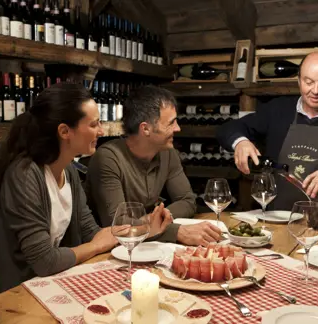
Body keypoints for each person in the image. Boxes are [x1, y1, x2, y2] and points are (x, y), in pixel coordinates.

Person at [0, 83, 172, 293]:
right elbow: (45, 260)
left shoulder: (69, 171)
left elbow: (91, 232)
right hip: (13, 296)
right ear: (65, 131)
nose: (101, 131)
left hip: (47, 285)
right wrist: (96, 246)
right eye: (94, 125)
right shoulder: (25, 174)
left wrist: (144, 230)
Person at [216, 52, 318, 219]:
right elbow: (228, 128)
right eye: (309, 82)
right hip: (277, 219)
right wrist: (240, 142)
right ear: (299, 81)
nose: (315, 90)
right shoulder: (277, 110)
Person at [85, 85, 223, 246]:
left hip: (145, 243)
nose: (178, 128)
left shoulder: (167, 152)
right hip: (107, 251)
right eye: (171, 123)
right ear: (146, 129)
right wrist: (174, 231)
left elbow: (187, 200)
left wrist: (160, 218)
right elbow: (117, 225)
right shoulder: (108, 158)